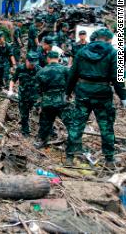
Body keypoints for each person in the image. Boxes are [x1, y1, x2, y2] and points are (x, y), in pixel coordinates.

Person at [66, 28, 126, 168]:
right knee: (106, 127)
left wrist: (67, 93)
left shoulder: (81, 51)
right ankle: (109, 160)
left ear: (96, 37)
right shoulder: (113, 53)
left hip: (83, 92)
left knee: (77, 125)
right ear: (109, 39)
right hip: (102, 94)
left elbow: (72, 74)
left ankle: (69, 157)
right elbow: (117, 78)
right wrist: (123, 98)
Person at [34, 51, 70, 149]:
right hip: (62, 100)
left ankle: (42, 141)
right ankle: (74, 143)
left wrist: (39, 101)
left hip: (47, 101)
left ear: (48, 59)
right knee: (70, 122)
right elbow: (70, 84)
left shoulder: (41, 71)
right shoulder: (65, 70)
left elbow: (37, 89)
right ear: (58, 58)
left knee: (45, 122)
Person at [8, 51, 40, 136]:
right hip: (23, 96)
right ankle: (25, 131)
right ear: (27, 60)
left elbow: (44, 82)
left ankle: (43, 132)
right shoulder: (20, 68)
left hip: (35, 96)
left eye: (34, 64)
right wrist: (10, 90)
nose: (32, 65)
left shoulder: (39, 69)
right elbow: (13, 80)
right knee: (24, 115)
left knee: (41, 113)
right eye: (31, 63)